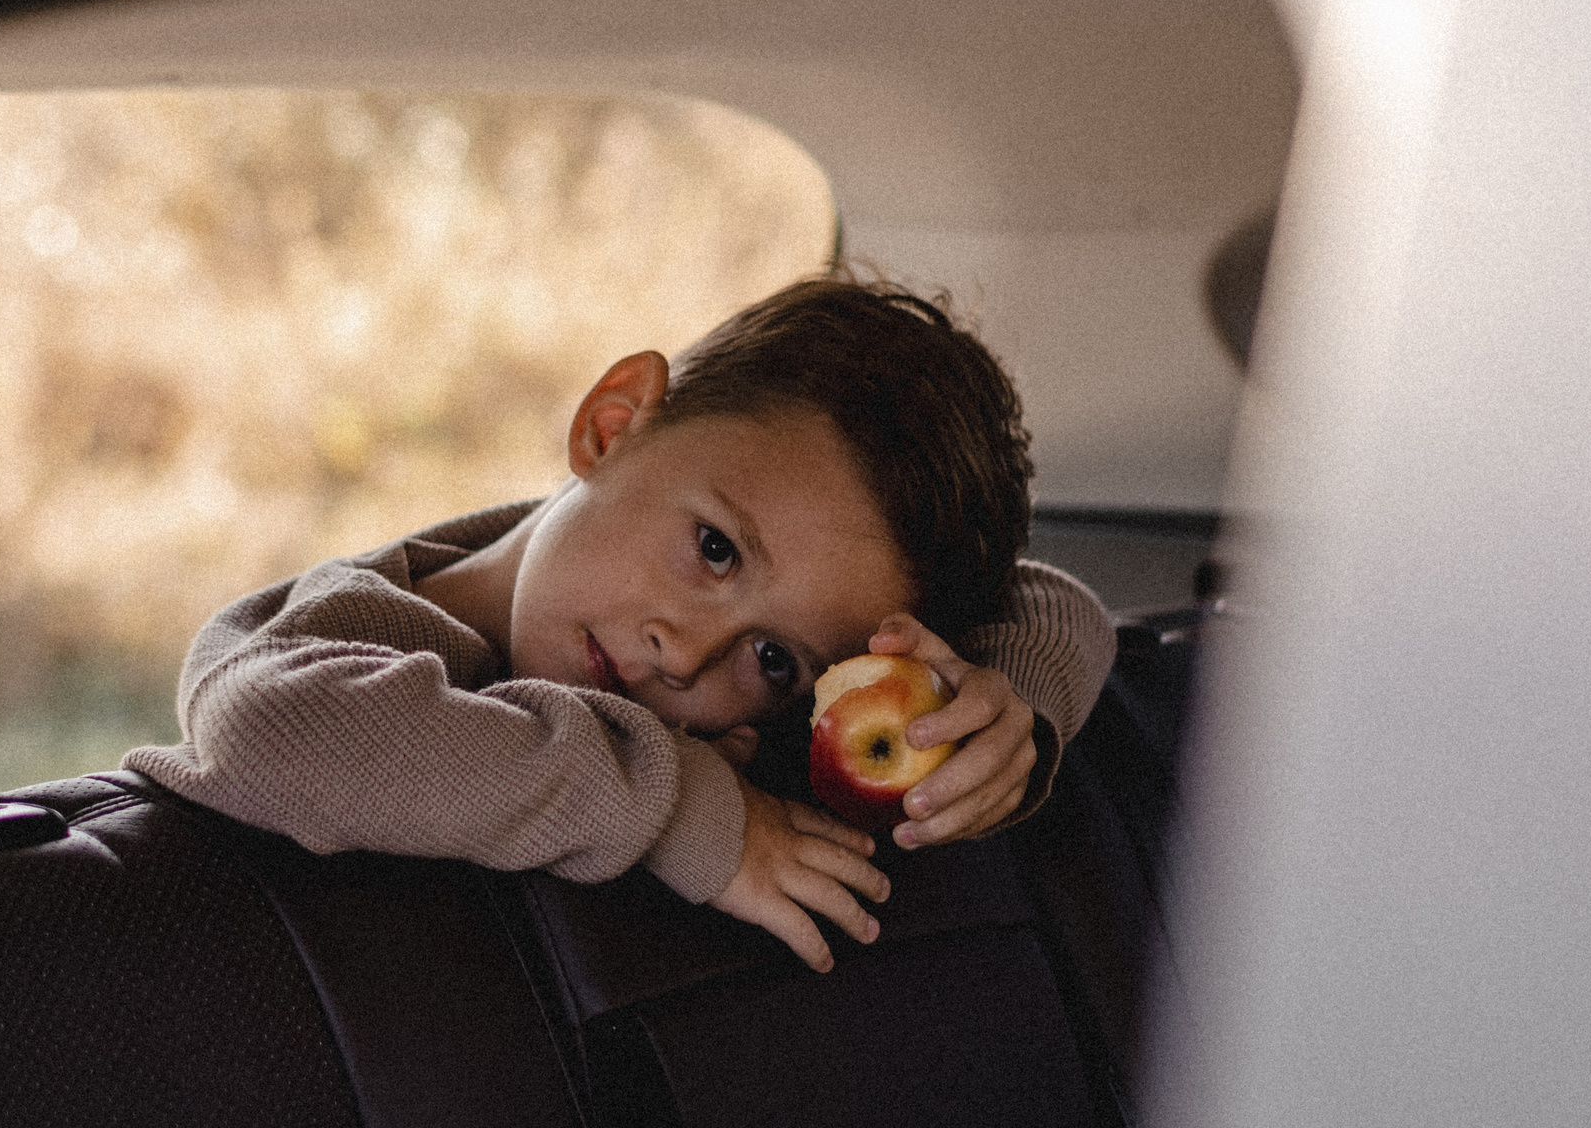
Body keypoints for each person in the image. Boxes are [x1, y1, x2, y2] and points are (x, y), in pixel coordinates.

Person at [126, 275, 1116, 971]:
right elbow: (270, 728)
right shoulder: (349, 633)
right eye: (716, 549)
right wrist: (675, 805)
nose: (684, 653)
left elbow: (1052, 602)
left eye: (773, 658)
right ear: (612, 424)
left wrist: (1008, 715)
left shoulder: (756, 719)